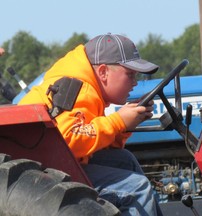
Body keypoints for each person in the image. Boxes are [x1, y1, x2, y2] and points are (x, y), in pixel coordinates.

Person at [18, 33, 163, 216]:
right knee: (137, 188)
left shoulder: (89, 88)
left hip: (55, 159)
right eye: (130, 74)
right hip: (41, 169)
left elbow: (95, 143)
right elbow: (70, 140)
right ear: (103, 72)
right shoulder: (77, 88)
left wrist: (124, 126)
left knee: (124, 160)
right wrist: (118, 121)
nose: (135, 83)